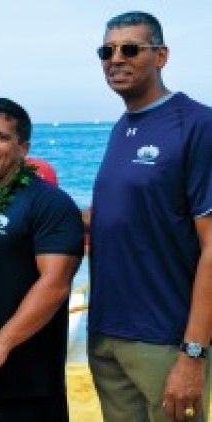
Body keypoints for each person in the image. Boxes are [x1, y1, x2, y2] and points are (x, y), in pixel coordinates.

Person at [88, 11, 212, 422]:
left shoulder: (197, 124)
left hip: (166, 341)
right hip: (107, 335)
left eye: (130, 49)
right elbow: (122, 217)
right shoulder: (121, 127)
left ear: (161, 56)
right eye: (107, 51)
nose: (115, 59)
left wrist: (193, 352)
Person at [0, 98, 84, 421]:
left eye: (1, 137)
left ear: (23, 148)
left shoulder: (49, 203)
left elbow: (55, 284)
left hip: (31, 385)